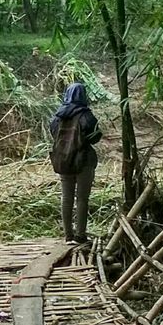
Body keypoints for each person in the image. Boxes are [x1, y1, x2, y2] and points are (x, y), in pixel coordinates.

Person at [49, 82, 102, 244]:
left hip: (63, 161)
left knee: (66, 198)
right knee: (82, 199)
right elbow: (96, 137)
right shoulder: (87, 116)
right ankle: (80, 234)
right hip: (83, 161)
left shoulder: (57, 117)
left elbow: (54, 135)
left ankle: (68, 234)